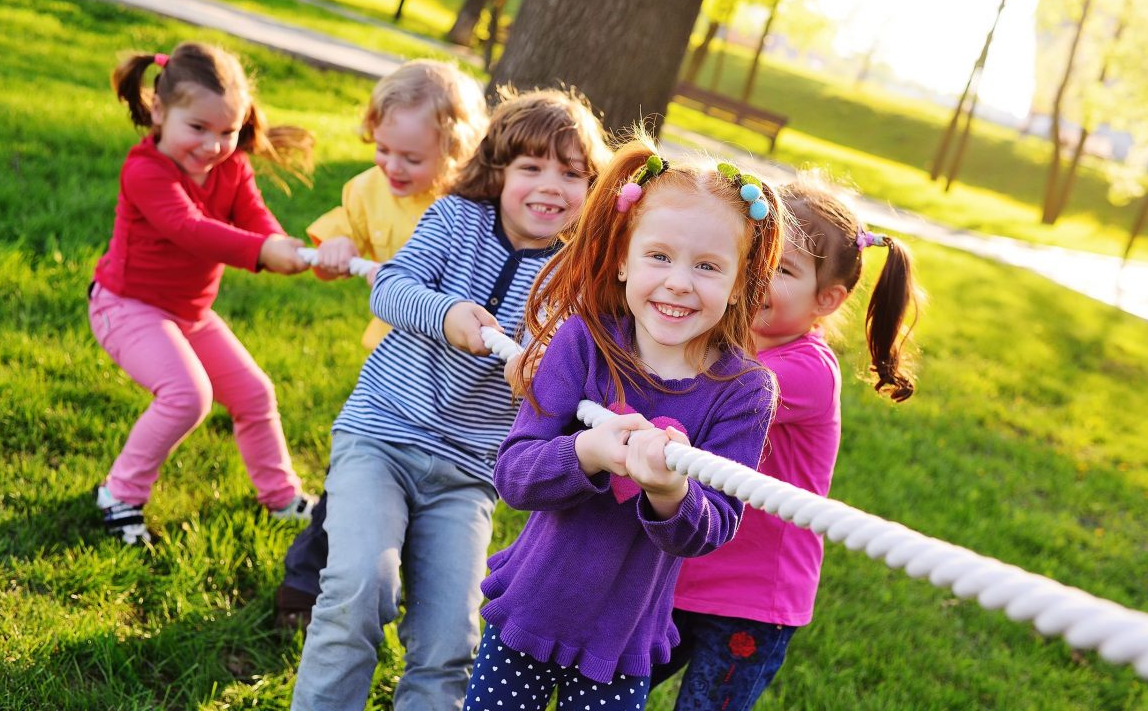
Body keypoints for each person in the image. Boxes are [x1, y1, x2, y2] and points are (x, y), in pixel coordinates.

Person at [290, 88, 612, 711]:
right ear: (498, 171)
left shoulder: (579, 276)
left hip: (467, 474)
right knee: (358, 590)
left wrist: (547, 375)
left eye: (571, 174)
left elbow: (575, 373)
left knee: (451, 642)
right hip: (382, 437)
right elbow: (390, 288)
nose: (551, 186)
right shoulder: (455, 218)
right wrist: (447, 315)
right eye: (532, 167)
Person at [463, 135, 786, 711]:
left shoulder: (743, 391)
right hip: (530, 610)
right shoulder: (582, 342)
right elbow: (514, 476)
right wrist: (587, 453)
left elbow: (708, 531)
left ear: (740, 284)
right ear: (621, 260)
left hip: (622, 641)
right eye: (659, 256)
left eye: (708, 266)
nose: (679, 282)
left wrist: (669, 489)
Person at [652, 176, 923, 710]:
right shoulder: (728, 343)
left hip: (751, 599)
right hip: (685, 569)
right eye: (754, 255)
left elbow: (693, 396)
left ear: (827, 299)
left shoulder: (804, 373)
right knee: (611, 689)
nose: (756, 277)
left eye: (782, 269)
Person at [274, 59, 487, 629]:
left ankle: (415, 590)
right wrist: (338, 247)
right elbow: (334, 243)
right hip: (391, 373)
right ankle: (303, 580)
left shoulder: (470, 207)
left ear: (455, 151)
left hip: (458, 381)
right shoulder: (366, 190)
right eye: (383, 150)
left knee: (426, 495)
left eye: (411, 158)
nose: (392, 166)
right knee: (358, 481)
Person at [90, 42, 318, 545]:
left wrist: (279, 244)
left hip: (187, 313)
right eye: (198, 128)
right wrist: (261, 251)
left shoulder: (231, 166)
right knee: (187, 395)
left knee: (255, 393)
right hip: (126, 306)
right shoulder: (145, 170)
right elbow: (188, 228)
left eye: (227, 131)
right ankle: (119, 493)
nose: (214, 146)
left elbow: (254, 215)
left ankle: (280, 498)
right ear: (159, 111)